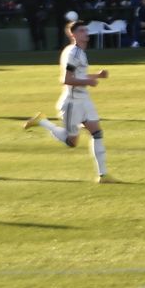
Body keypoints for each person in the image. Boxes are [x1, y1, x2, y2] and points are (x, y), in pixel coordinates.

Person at [23, 20, 116, 183]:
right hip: (72, 103)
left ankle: (103, 175)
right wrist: (89, 82)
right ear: (72, 34)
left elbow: (78, 76)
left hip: (84, 100)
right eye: (81, 31)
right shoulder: (74, 53)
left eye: (86, 30)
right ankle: (42, 121)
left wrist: (96, 76)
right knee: (72, 142)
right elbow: (66, 79)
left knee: (97, 132)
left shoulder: (79, 51)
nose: (86, 33)